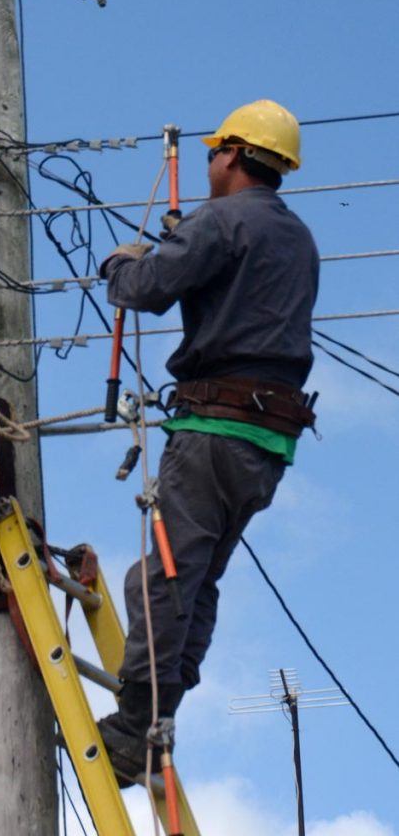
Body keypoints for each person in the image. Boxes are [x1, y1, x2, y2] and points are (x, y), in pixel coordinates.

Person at [97, 99, 319, 786]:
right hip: (264, 446)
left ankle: (138, 724)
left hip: (212, 431)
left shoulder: (222, 221)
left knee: (163, 577)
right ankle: (161, 712)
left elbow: (144, 288)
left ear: (231, 155)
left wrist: (124, 261)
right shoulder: (297, 235)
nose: (207, 165)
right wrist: (186, 240)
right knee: (194, 581)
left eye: (212, 154)